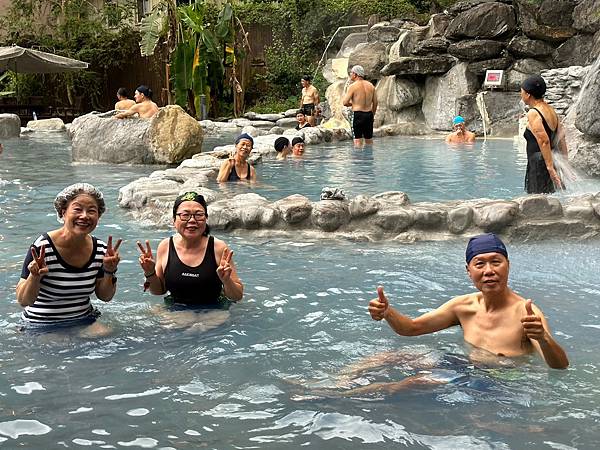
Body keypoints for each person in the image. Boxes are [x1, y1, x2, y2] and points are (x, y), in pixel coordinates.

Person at [368, 233, 569, 369]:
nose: (489, 271)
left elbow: (560, 366)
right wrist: (388, 313)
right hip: (468, 368)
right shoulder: (462, 307)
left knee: (406, 386)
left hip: (505, 382)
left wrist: (543, 338)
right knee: (387, 358)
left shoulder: (526, 313)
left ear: (508, 266)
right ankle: (339, 386)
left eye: (496, 262)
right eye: (480, 264)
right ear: (469, 271)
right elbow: (411, 329)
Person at [15, 183, 122, 328]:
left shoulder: (101, 250)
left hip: (84, 319)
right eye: (77, 209)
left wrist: (109, 271)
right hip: (41, 324)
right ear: (63, 212)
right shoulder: (43, 247)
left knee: (109, 335)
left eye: (91, 211)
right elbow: (23, 300)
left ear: (99, 215)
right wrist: (34, 276)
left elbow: (105, 297)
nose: (84, 216)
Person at [137, 192, 243, 311]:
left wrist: (227, 281)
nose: (192, 220)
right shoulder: (165, 246)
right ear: (174, 220)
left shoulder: (218, 248)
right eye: (185, 215)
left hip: (213, 311)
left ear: (206, 219)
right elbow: (158, 291)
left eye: (198, 215)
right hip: (176, 309)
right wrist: (149, 272)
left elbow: (237, 296)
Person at [521, 74, 568, 194]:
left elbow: (544, 141)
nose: (520, 94)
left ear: (528, 94)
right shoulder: (551, 109)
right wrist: (564, 164)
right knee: (550, 200)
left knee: (538, 203)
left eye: (521, 91)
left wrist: (549, 168)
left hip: (540, 164)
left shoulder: (533, 113)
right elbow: (561, 137)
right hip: (549, 160)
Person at [342, 65, 378, 147]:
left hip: (358, 115)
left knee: (357, 141)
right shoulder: (371, 86)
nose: (350, 75)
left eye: (351, 73)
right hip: (369, 115)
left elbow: (344, 102)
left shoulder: (352, 86)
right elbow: (375, 102)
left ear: (355, 74)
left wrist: (353, 104)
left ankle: (359, 160)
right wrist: (373, 115)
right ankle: (369, 159)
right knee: (369, 140)